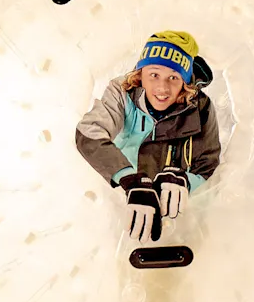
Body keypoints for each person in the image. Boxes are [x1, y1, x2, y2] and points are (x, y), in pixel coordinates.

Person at [75, 30, 222, 244]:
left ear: (185, 81)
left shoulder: (200, 108)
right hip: (122, 193)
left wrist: (185, 182)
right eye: (154, 74)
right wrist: (129, 179)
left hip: (179, 207)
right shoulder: (122, 92)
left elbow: (207, 162)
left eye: (173, 77)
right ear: (140, 74)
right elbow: (89, 133)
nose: (162, 88)